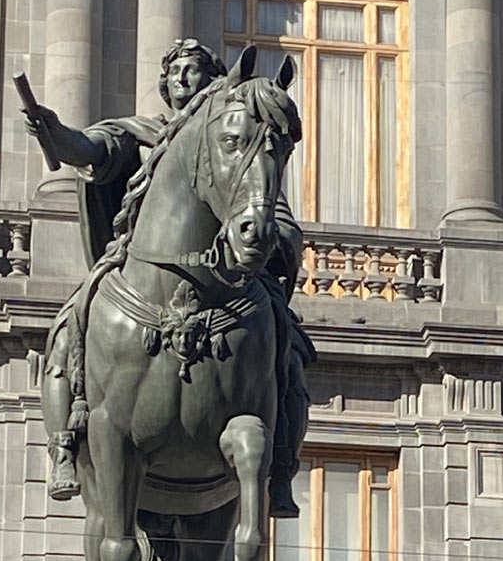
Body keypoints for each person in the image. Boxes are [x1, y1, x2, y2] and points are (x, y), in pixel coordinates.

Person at [26, 39, 311, 516]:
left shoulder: (240, 143)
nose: (182, 77)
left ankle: (281, 465)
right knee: (68, 330)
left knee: (290, 343)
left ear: (217, 79)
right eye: (175, 69)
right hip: (138, 268)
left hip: (230, 275)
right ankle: (62, 448)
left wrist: (272, 239)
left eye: (194, 68)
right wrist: (56, 133)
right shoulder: (141, 135)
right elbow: (90, 150)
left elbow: (277, 216)